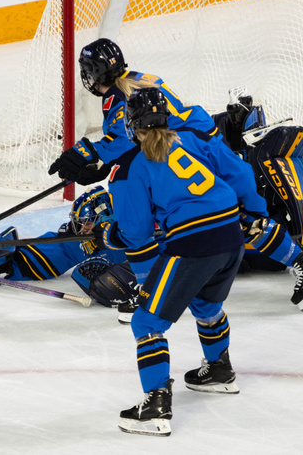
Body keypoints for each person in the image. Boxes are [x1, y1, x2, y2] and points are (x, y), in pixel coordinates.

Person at [48, 38, 303, 311]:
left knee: (197, 215)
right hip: (198, 138)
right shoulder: (140, 77)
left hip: (179, 148)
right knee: (234, 210)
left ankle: (151, 291)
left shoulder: (116, 96)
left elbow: (124, 140)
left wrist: (87, 153)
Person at [101, 87, 248, 436]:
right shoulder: (193, 138)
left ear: (131, 125)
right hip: (231, 235)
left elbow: (136, 233)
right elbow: (239, 173)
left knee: (146, 323)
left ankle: (155, 406)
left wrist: (141, 279)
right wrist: (254, 211)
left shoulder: (132, 165)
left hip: (194, 245)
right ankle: (218, 370)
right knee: (206, 304)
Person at [0, 185, 141, 319]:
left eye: (87, 223)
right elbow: (55, 252)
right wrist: (6, 262)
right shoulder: (81, 238)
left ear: (105, 219)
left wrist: (116, 281)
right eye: (79, 222)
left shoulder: (136, 234)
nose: (81, 229)